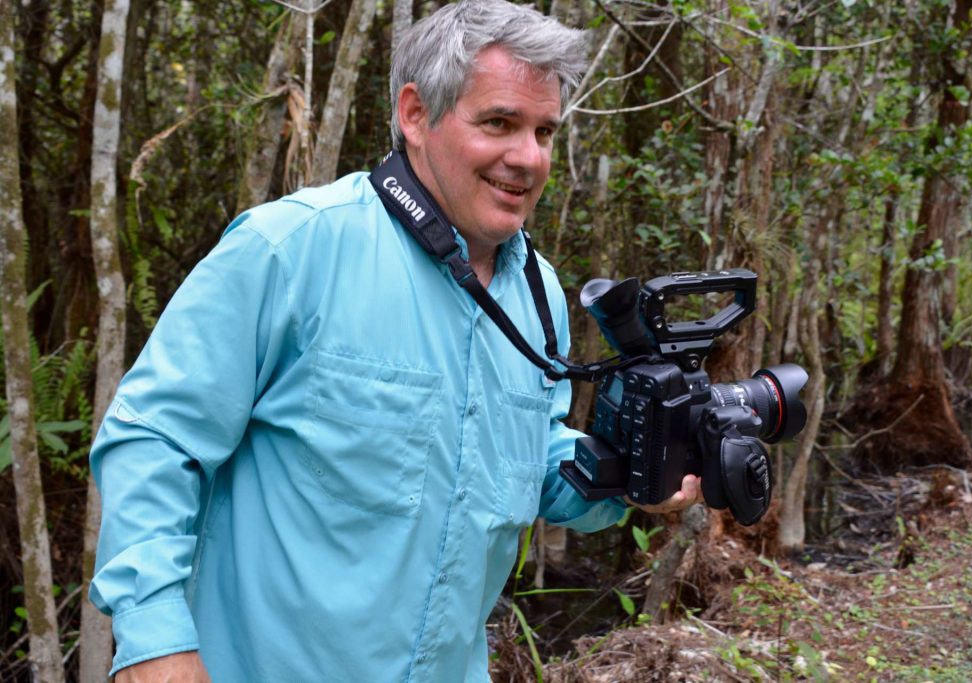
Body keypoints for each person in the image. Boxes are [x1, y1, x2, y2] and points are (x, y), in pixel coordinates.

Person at [89, 1, 702, 681]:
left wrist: (632, 476)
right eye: (499, 123)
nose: (528, 158)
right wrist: (155, 640)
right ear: (415, 113)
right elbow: (154, 438)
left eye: (544, 131)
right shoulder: (292, 249)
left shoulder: (539, 294)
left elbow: (530, 463)